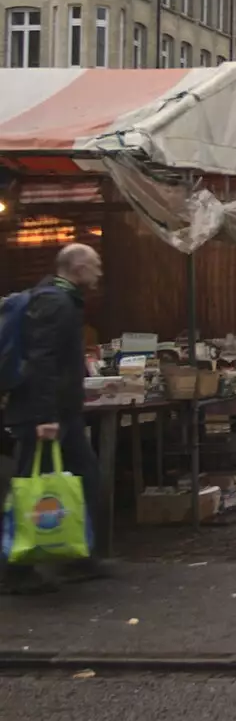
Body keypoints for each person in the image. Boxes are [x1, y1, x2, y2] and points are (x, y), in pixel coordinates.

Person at [3, 243, 106, 594]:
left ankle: (81, 556)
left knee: (86, 477)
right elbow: (43, 363)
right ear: (77, 268)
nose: (100, 272)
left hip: (64, 413)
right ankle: (13, 567)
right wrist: (45, 416)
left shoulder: (62, 300)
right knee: (29, 487)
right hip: (46, 416)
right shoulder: (55, 304)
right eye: (95, 265)